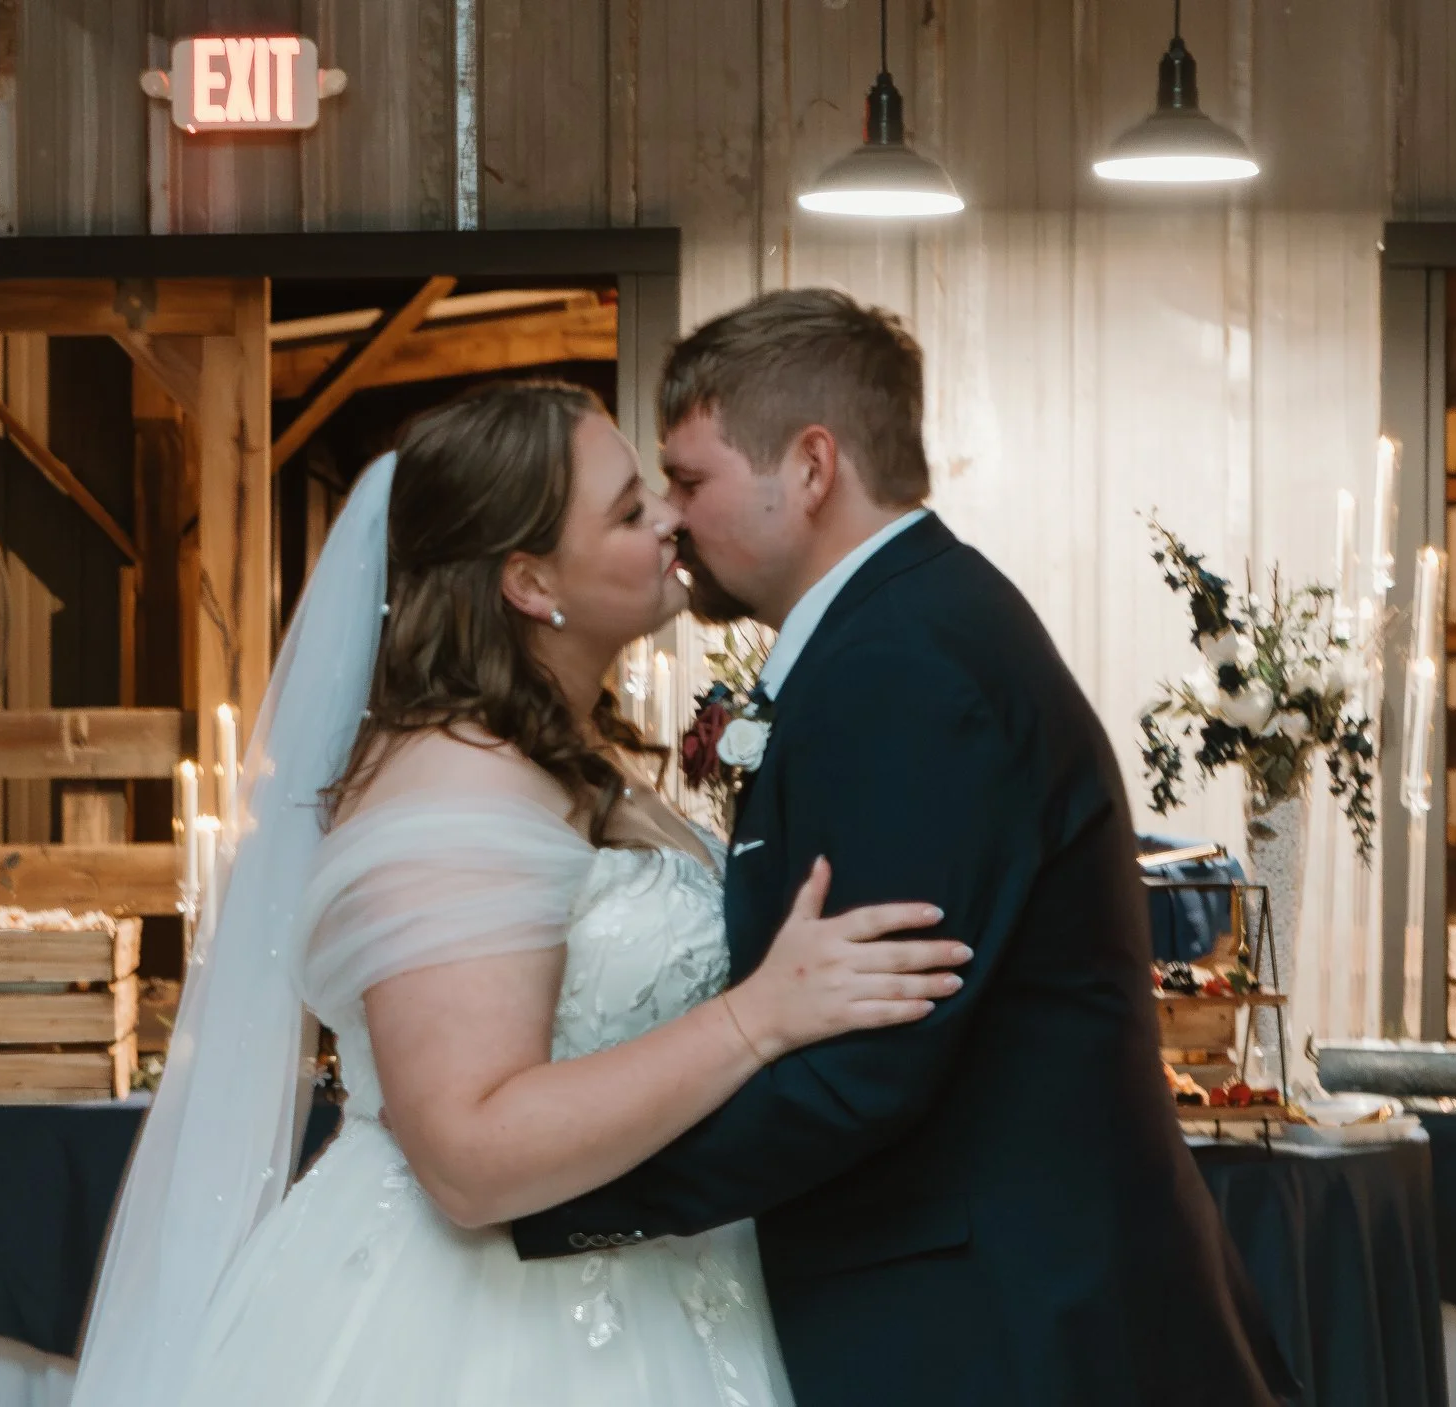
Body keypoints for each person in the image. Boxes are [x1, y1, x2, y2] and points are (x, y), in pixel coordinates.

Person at [66, 379, 968, 1407]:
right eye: (629, 510)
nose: (669, 516)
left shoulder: (567, 751)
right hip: (479, 1329)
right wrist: (758, 1020)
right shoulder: (455, 784)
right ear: (532, 582)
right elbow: (468, 1155)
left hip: (659, 1272)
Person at [510, 288, 1298, 1406]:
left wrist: (548, 1197)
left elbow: (861, 1075)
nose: (673, 520)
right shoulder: (907, 629)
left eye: (690, 480)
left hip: (1007, 1329)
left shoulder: (904, 669)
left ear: (812, 467)